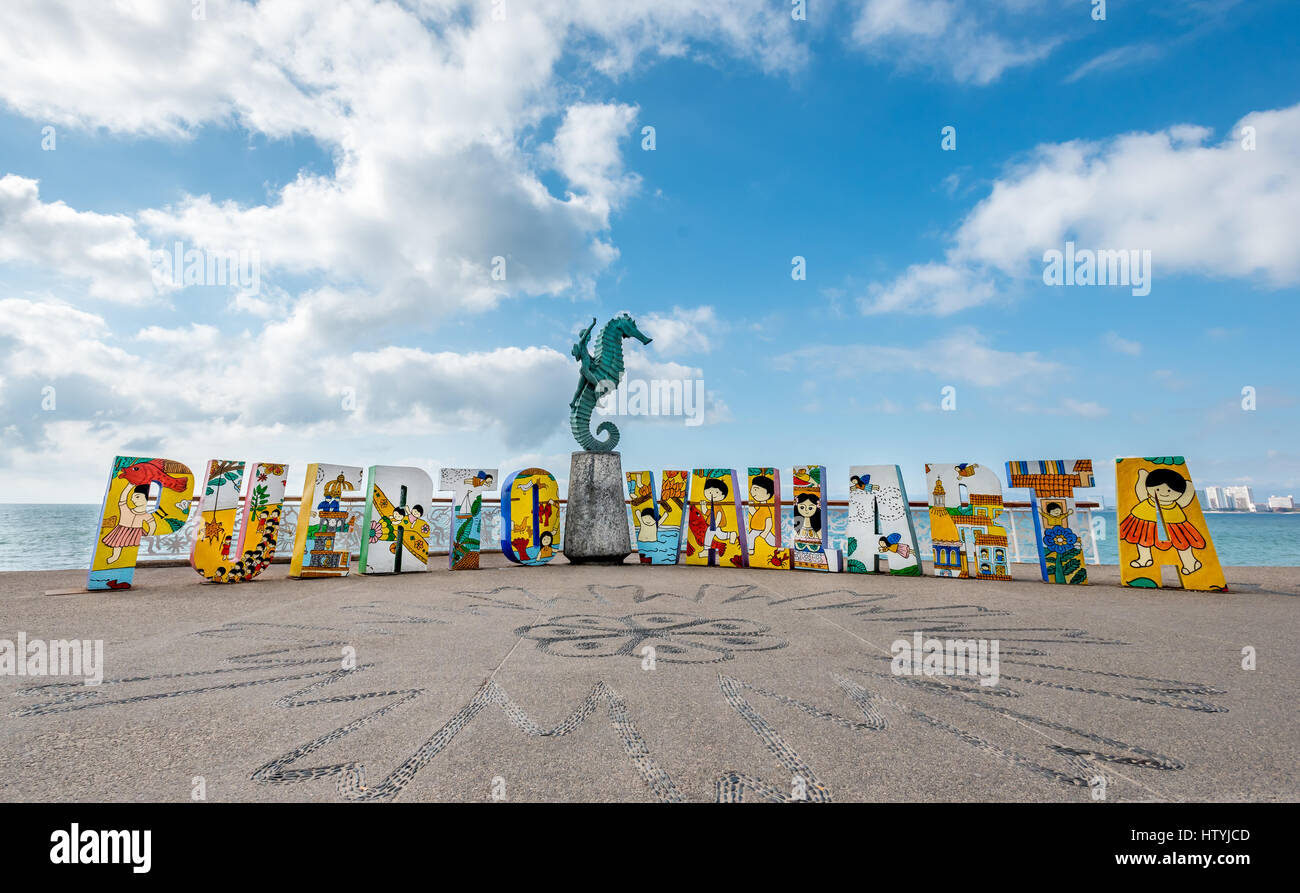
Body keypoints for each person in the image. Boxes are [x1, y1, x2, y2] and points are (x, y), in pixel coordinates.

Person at [1119, 467, 1205, 575]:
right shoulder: (1147, 499)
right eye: (1158, 489)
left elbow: (1185, 500)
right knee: (1141, 540)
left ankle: (1191, 562)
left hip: (1175, 523)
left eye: (1169, 490)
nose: (1164, 493)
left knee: (1182, 544)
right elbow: (1140, 491)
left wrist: (1189, 487)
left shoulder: (1176, 504)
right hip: (1142, 520)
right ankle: (1145, 559)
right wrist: (1142, 477)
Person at [102, 484, 157, 565]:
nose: (133, 499)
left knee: (133, 548)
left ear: (147, 499)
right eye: (133, 497)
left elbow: (152, 525)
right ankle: (115, 557)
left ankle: (128, 560)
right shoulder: (125, 510)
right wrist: (129, 486)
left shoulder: (146, 515)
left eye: (137, 497)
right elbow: (123, 498)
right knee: (118, 544)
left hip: (136, 532)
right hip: (122, 531)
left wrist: (150, 534)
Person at [746, 475, 776, 554]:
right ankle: (751, 550)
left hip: (762, 529)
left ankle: (778, 546)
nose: (752, 493)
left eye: (756, 490)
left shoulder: (766, 509)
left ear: (768, 494)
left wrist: (765, 532)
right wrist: (751, 507)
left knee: (771, 540)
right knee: (752, 537)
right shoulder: (760, 507)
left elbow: (769, 522)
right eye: (752, 489)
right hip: (756, 529)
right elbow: (754, 514)